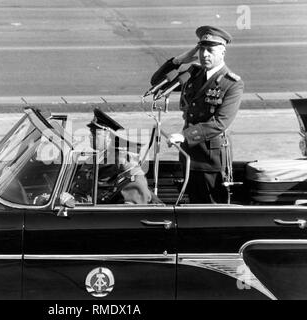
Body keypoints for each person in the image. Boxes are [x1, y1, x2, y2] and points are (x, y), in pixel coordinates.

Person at [151, 26, 244, 203]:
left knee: (211, 208)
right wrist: (179, 60)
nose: (205, 54)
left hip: (210, 159)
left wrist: (184, 135)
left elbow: (220, 123)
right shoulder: (193, 74)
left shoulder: (231, 83)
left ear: (222, 52)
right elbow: (157, 82)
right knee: (193, 204)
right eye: (201, 49)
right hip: (188, 155)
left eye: (210, 50)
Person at [72, 108, 158, 205]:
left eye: (95, 133)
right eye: (91, 131)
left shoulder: (132, 180)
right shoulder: (98, 160)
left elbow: (126, 214)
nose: (90, 136)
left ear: (109, 136)